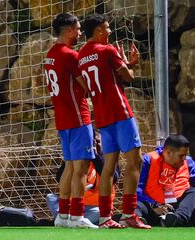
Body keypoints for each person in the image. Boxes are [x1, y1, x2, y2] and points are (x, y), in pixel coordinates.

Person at [78, 13, 150, 229]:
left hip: (101, 116)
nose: (109, 32)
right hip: (120, 113)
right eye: (107, 28)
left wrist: (122, 67)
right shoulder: (108, 50)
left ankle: (105, 218)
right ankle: (129, 213)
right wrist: (131, 65)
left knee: (108, 166)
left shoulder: (81, 55)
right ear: (99, 30)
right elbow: (128, 77)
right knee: (135, 161)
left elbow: (93, 82)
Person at [44, 13, 97, 228]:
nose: (80, 33)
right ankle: (77, 216)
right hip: (78, 117)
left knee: (69, 167)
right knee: (81, 168)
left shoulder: (50, 55)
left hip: (62, 118)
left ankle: (63, 216)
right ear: (68, 31)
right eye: (77, 29)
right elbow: (86, 85)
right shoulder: (70, 55)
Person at [136, 134, 195, 227]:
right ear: (168, 152)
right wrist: (154, 205)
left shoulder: (188, 162)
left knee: (193, 191)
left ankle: (176, 219)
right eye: (181, 155)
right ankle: (135, 217)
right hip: (153, 208)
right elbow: (138, 188)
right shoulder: (148, 160)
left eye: (185, 155)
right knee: (137, 204)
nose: (184, 159)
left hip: (178, 209)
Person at [46, 154, 118, 225]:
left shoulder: (107, 156)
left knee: (100, 213)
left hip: (95, 207)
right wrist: (70, 160)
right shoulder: (76, 160)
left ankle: (68, 220)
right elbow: (59, 178)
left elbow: (114, 178)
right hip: (72, 206)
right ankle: (67, 218)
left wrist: (96, 157)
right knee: (51, 198)